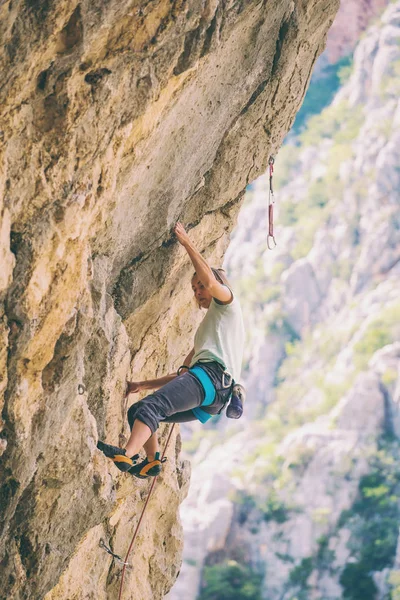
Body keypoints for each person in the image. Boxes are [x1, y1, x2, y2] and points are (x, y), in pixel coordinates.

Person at [97, 222, 245, 478]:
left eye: (200, 286)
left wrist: (187, 242)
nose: (198, 291)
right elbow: (183, 375)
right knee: (138, 411)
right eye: (195, 289)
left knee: (152, 409)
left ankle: (128, 454)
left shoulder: (228, 303)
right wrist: (143, 385)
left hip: (210, 380)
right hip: (215, 395)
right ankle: (151, 461)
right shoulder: (211, 334)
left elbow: (211, 283)